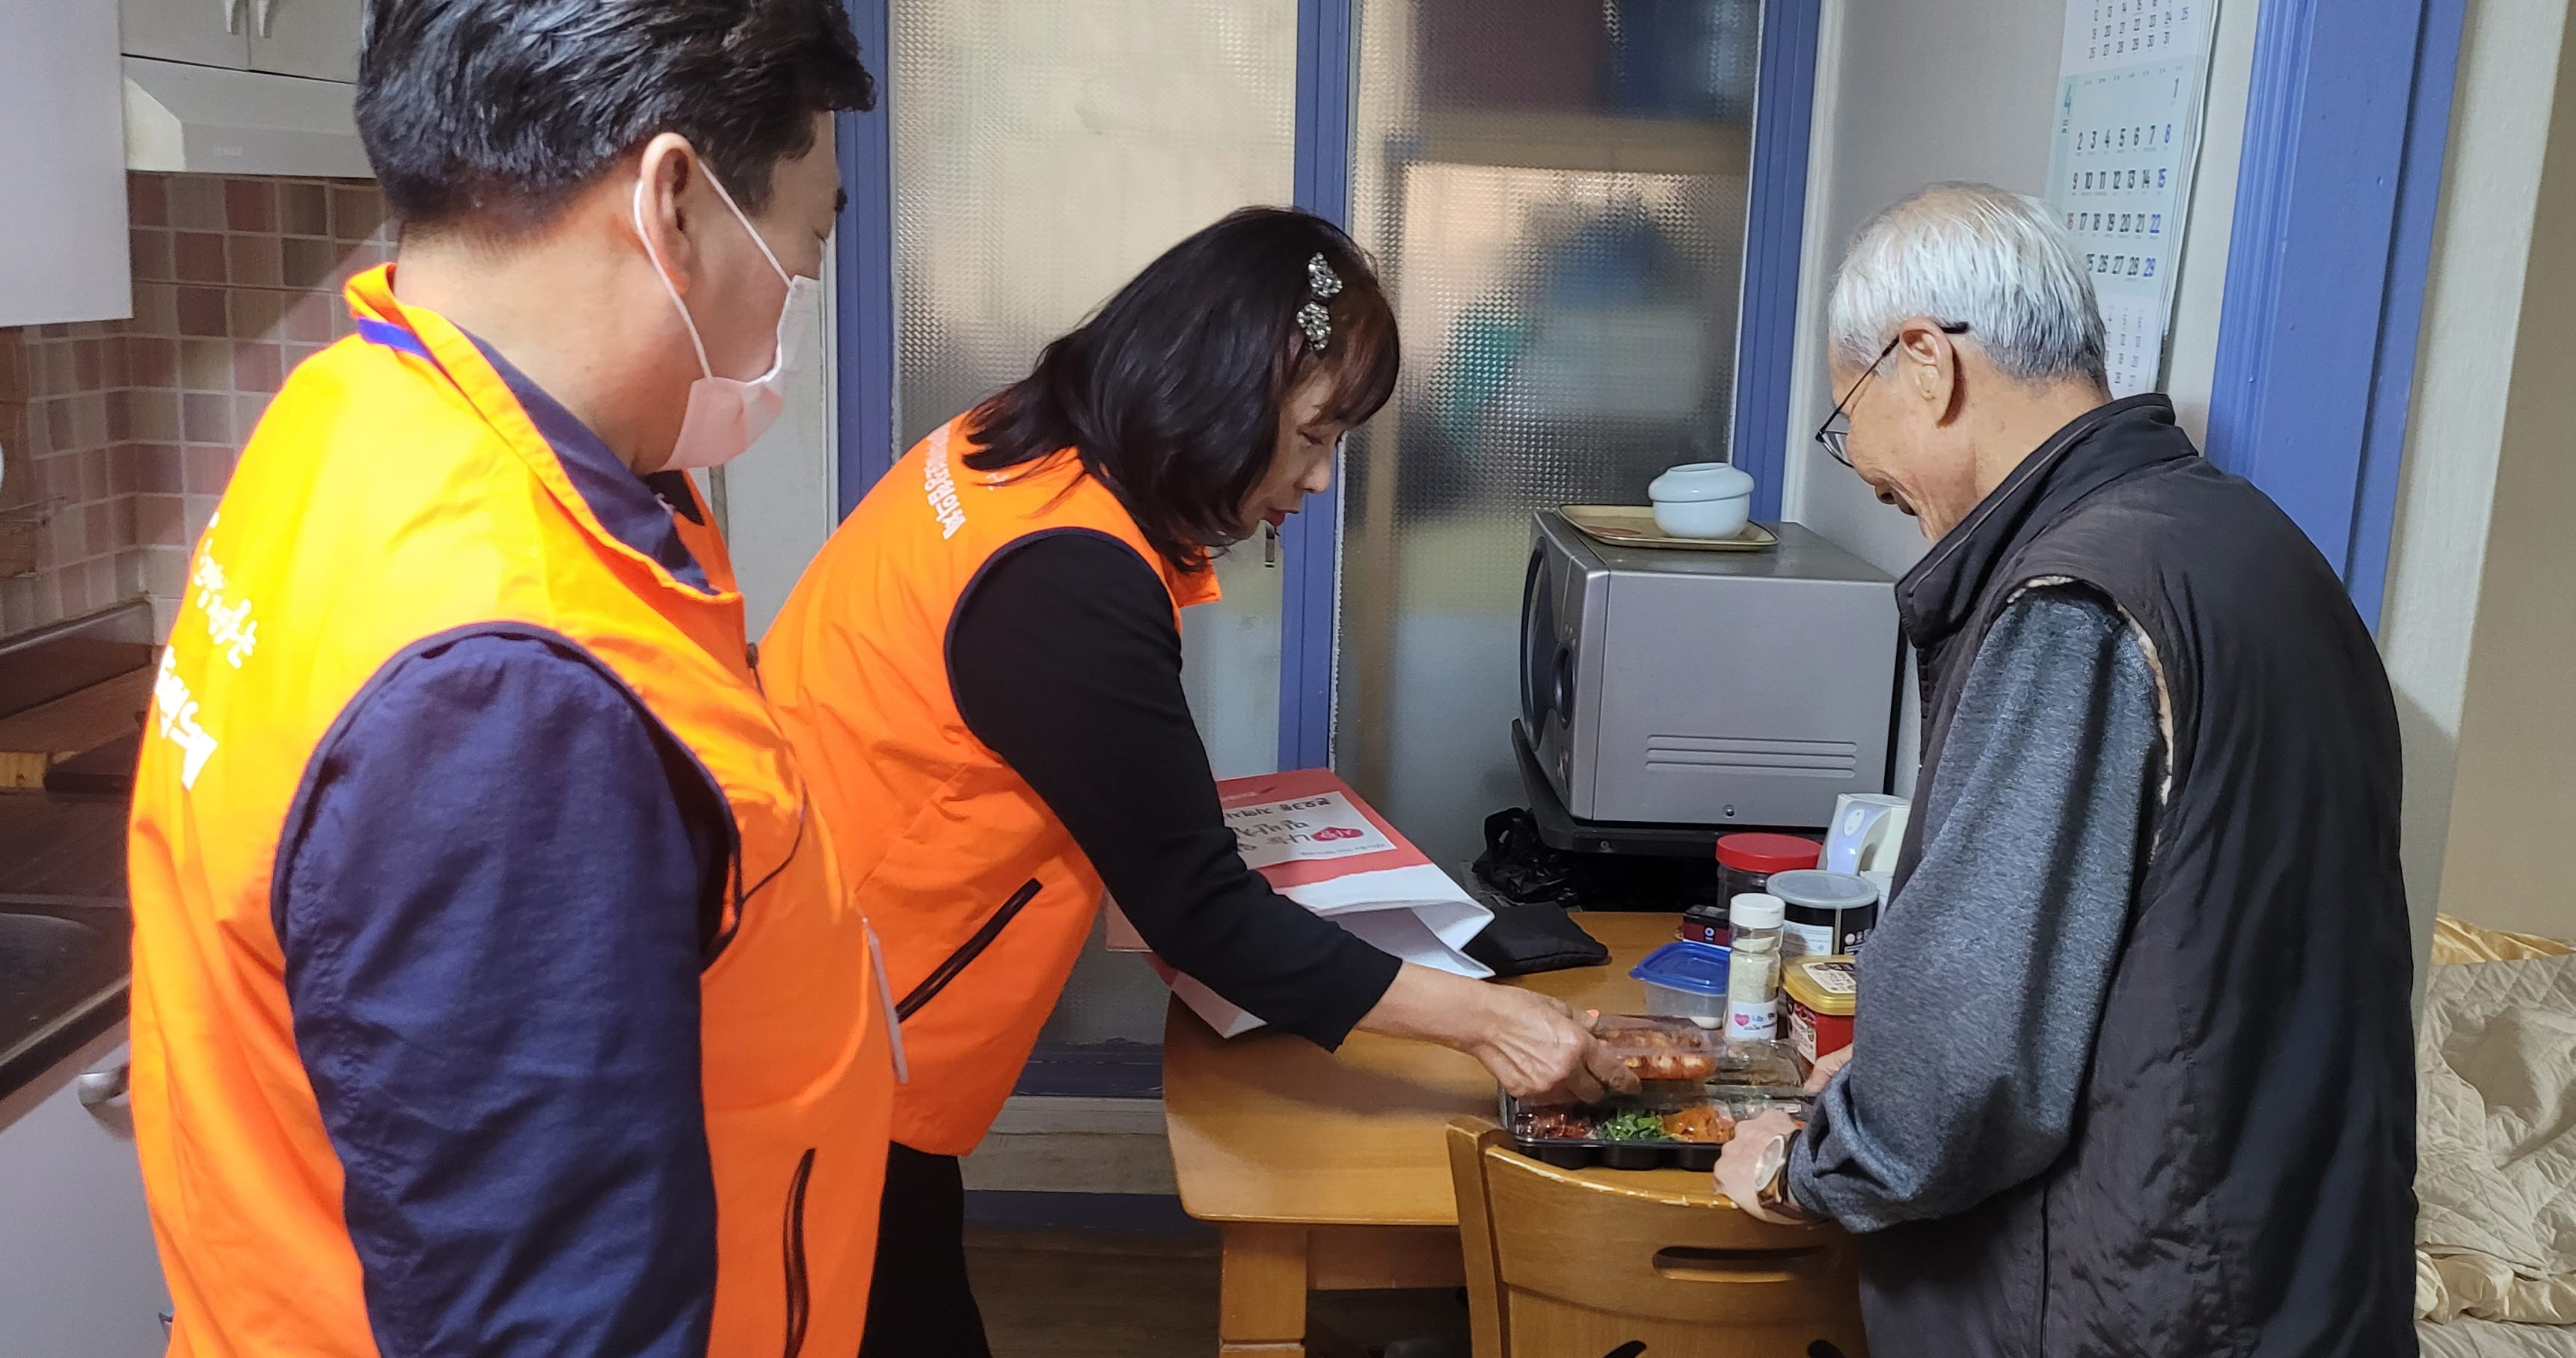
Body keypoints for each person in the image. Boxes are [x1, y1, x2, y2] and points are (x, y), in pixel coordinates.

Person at [123, 4, 895, 1355]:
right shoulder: (504, 700)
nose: (797, 287)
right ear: (673, 203)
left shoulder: (357, 407)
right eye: (808, 241)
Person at [758, 206, 1634, 1357]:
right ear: (1222, 393)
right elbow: (1200, 911)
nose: (1319, 481)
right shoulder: (1068, 575)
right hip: (834, 1038)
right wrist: (1492, 1025)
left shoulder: (1012, 447)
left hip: (809, 960)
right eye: (1313, 436)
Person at [1713, 182, 2416, 1357]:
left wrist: (1806, 1164)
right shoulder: (2254, 547)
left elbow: (1971, 1062)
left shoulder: (2074, 600)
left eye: (1851, 432)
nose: (1885, 493)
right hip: (2300, 1266)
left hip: (2135, 1293)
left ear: (1925, 362)